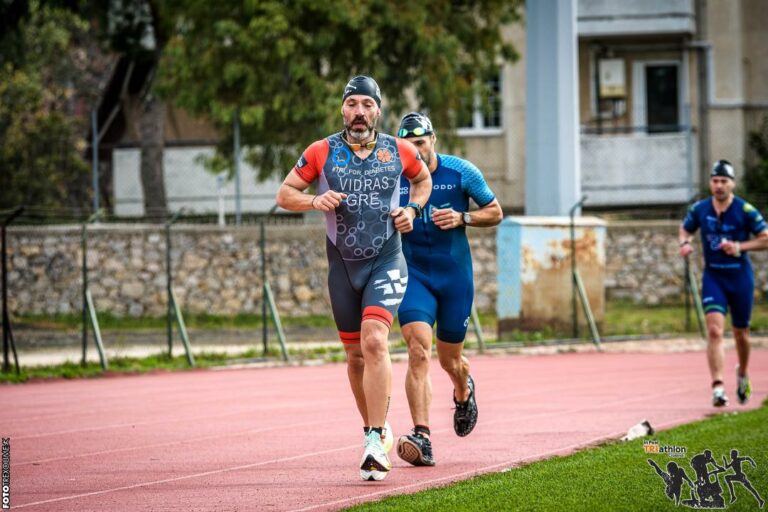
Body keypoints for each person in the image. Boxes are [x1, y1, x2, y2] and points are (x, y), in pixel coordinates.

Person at [275, 77, 432, 481]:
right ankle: (374, 427)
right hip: (342, 266)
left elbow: (422, 179)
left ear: (378, 109)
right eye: (351, 104)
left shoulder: (399, 150)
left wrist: (412, 210)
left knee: (375, 339)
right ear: (342, 109)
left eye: (366, 104)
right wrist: (313, 200)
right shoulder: (321, 151)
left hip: (386, 258)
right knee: (354, 356)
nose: (358, 112)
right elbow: (285, 193)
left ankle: (374, 439)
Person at [394, 112, 503, 466]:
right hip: (414, 277)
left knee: (449, 360)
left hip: (454, 278)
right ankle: (422, 437)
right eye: (407, 146)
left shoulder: (460, 172)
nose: (415, 151)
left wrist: (462, 218)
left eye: (420, 143)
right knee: (417, 350)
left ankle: (463, 390)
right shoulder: (394, 181)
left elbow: (495, 211)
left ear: (433, 140)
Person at [679, 159, 768, 407]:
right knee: (715, 331)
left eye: (724, 181)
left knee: (741, 334)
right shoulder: (700, 209)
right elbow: (685, 229)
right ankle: (717, 386)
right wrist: (684, 243)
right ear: (710, 183)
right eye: (715, 181)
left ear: (732, 184)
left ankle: (742, 374)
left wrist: (740, 246)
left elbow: (765, 238)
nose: (719, 186)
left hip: (740, 277)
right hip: (714, 277)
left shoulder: (745, 210)